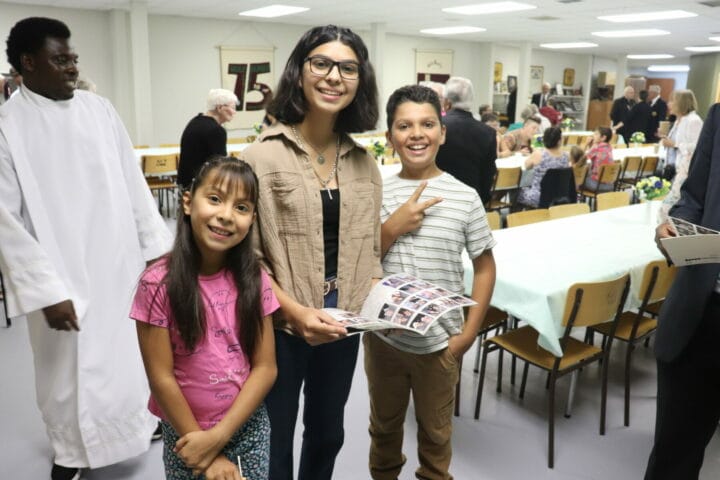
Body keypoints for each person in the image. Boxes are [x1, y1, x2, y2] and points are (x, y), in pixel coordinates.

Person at [0, 17, 172, 480]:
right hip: (59, 273)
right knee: (64, 370)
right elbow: (5, 220)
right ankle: (70, 453)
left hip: (116, 262)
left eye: (73, 58)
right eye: (60, 60)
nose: (73, 68)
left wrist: (156, 251)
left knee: (126, 354)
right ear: (28, 63)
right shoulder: (7, 127)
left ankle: (139, 425)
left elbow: (133, 183)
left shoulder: (99, 110)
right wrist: (44, 291)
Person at [240, 25, 382, 480]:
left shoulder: (364, 163)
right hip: (280, 321)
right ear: (299, 72)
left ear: (360, 80)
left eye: (348, 68)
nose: (334, 76)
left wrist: (382, 296)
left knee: (327, 431)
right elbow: (246, 261)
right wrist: (296, 312)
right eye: (321, 63)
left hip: (344, 321)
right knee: (275, 433)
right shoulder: (260, 158)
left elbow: (369, 250)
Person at [365, 84, 496, 480]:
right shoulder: (376, 192)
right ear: (390, 137)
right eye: (404, 126)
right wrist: (393, 227)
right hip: (384, 341)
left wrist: (467, 334)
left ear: (442, 132)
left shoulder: (465, 197)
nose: (416, 134)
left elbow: (485, 266)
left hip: (440, 344)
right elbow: (359, 262)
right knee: (383, 430)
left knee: (436, 437)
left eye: (427, 124)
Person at [131, 157, 279, 480]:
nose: (226, 215)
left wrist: (218, 438)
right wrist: (206, 454)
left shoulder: (255, 280)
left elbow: (266, 367)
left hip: (246, 429)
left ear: (252, 219)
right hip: (186, 432)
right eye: (215, 199)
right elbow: (161, 378)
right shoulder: (157, 284)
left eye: (241, 207)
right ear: (188, 202)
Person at [646, 102, 720, 480]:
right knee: (673, 458)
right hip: (701, 314)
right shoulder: (719, 118)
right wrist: (676, 228)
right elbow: (694, 198)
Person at [435, 76, 497, 205]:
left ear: (446, 102)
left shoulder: (437, 126)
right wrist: (482, 200)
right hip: (472, 200)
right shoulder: (488, 133)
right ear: (470, 101)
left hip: (438, 199)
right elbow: (488, 173)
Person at [177, 88, 238, 190]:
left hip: (185, 184)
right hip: (200, 187)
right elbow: (220, 166)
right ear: (219, 108)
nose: (234, 112)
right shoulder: (216, 130)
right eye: (233, 108)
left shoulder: (195, 121)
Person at [658, 89, 703, 219]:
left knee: (666, 209)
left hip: (685, 171)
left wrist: (675, 144)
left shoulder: (693, 121)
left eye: (672, 101)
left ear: (682, 103)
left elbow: (697, 147)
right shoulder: (680, 120)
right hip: (675, 168)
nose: (669, 104)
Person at [517, 126, 570, 208]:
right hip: (559, 197)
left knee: (516, 190)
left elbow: (526, 166)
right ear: (560, 140)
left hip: (539, 197)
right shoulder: (566, 156)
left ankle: (515, 214)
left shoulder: (539, 154)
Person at [582, 126, 615, 192]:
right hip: (610, 185)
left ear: (603, 137)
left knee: (578, 179)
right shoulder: (609, 147)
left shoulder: (596, 147)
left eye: (596, 134)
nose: (593, 136)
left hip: (596, 185)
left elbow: (580, 158)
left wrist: (586, 143)